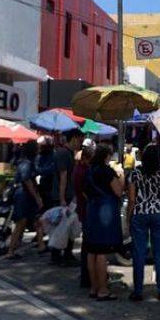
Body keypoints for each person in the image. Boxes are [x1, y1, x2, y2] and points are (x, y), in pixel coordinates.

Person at [127, 143, 160, 302]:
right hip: (159, 213)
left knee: (138, 252)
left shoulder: (135, 173)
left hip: (140, 214)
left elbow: (132, 199)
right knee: (159, 252)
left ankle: (138, 291)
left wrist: (128, 218)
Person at [83, 144, 124, 301]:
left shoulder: (89, 171)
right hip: (105, 213)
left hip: (92, 210)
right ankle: (103, 290)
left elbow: (85, 191)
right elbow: (119, 191)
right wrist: (120, 176)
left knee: (91, 250)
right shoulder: (107, 171)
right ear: (107, 156)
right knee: (101, 251)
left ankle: (94, 287)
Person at [51, 129, 84, 265]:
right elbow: (63, 177)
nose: (80, 143)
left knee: (69, 227)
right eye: (80, 140)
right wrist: (62, 198)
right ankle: (59, 256)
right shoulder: (63, 153)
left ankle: (66, 255)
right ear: (74, 138)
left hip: (70, 195)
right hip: (65, 197)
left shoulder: (70, 153)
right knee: (61, 228)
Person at [7, 141, 44, 259]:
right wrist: (37, 197)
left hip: (26, 195)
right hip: (23, 195)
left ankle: (41, 245)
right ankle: (11, 251)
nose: (39, 150)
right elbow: (26, 180)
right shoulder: (26, 163)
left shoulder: (29, 162)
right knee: (21, 223)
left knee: (36, 219)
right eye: (37, 149)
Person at [73, 139, 95, 288]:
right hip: (86, 209)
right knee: (89, 245)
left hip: (83, 208)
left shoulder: (79, 170)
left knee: (87, 244)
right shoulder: (82, 172)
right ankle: (87, 277)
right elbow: (85, 192)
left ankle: (87, 276)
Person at [34, 136, 57, 252]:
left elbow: (51, 169)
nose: (40, 149)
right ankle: (40, 241)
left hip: (50, 190)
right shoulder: (39, 157)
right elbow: (37, 169)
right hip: (41, 188)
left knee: (49, 216)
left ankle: (44, 240)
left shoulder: (53, 156)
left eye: (42, 146)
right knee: (41, 215)